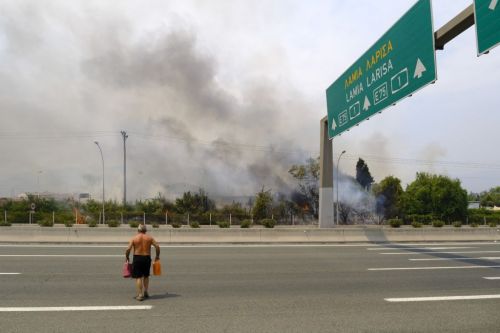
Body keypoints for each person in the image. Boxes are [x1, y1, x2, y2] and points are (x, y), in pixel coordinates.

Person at [125, 224, 160, 301]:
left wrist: (127, 257)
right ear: (145, 230)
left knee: (138, 277)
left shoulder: (134, 238)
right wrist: (157, 256)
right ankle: (146, 292)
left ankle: (140, 295)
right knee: (146, 276)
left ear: (138, 230)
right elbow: (157, 246)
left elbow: (128, 249)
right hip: (147, 258)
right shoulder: (149, 238)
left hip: (137, 258)